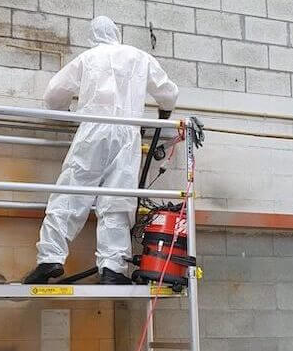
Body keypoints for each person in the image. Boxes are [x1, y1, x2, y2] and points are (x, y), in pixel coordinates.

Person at [23, 16, 178, 285]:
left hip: (93, 130)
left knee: (71, 193)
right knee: (118, 201)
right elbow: (168, 93)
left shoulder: (88, 58)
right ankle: (112, 268)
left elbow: (53, 94)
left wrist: (65, 112)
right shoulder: (139, 57)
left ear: (93, 36)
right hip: (128, 133)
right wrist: (163, 114)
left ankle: (50, 258)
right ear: (116, 33)